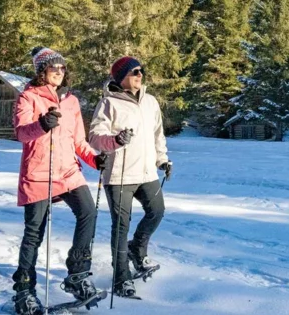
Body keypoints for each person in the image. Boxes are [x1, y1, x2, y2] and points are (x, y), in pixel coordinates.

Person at [11, 47, 108, 314]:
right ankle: (24, 291)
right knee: (34, 233)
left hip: (68, 172)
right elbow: (21, 133)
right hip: (39, 173)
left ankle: (77, 274)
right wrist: (42, 124)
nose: (59, 72)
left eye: (62, 68)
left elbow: (78, 141)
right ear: (41, 71)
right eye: (53, 68)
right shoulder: (28, 97)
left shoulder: (71, 101)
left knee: (88, 212)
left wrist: (94, 159)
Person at [89, 56, 172, 298]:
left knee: (156, 211)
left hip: (146, 171)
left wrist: (162, 160)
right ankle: (121, 277)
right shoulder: (108, 103)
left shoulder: (151, 101)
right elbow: (95, 136)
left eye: (141, 71)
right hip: (119, 175)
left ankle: (137, 249)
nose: (140, 75)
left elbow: (158, 134)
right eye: (134, 72)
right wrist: (115, 140)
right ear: (121, 77)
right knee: (121, 226)